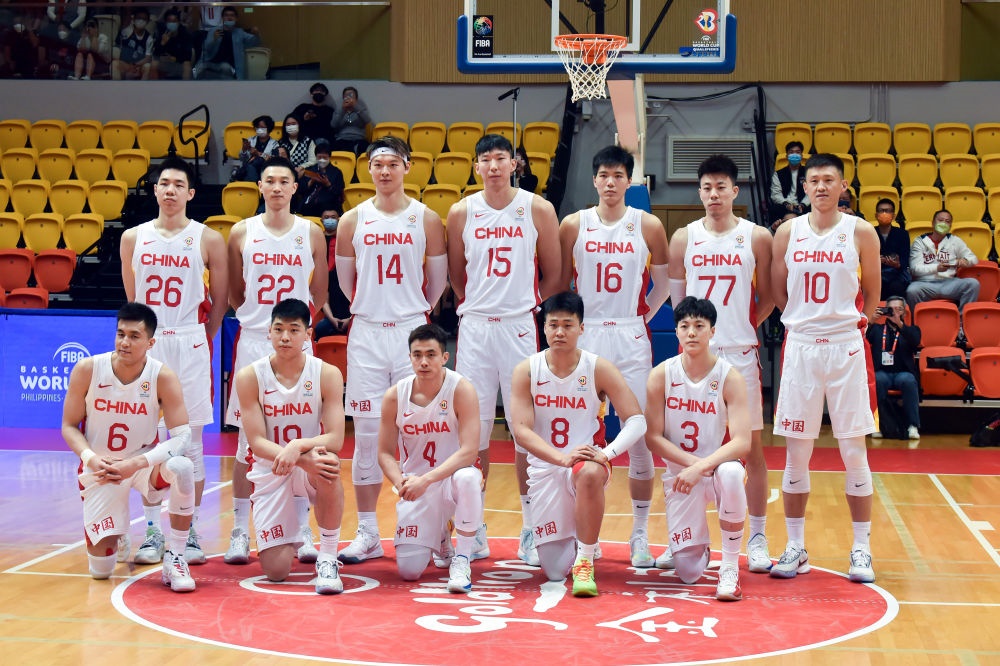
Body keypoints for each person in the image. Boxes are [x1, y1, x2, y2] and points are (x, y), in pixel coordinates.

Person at [446, 133, 562, 565]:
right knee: (472, 431)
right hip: (476, 328)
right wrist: (480, 304)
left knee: (524, 429)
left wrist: (522, 304)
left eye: (500, 158)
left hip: (518, 327)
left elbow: (555, 273)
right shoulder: (461, 212)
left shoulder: (537, 208)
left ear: (515, 164)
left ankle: (531, 527)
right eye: (485, 159)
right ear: (475, 166)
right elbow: (457, 276)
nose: (493, 166)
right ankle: (473, 528)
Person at [334, 136, 448, 565]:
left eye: (392, 164)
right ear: (368, 169)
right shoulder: (352, 220)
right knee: (366, 437)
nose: (384, 171)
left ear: (407, 167)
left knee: (422, 433)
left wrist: (410, 311)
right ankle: (367, 532)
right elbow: (347, 284)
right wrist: (374, 307)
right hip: (366, 333)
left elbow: (437, 283)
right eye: (377, 164)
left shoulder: (426, 218)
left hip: (409, 332)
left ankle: (428, 528)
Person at [558, 145, 669, 569]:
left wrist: (642, 317)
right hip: (587, 335)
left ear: (629, 181)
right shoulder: (574, 224)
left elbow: (663, 284)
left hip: (629, 332)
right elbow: (563, 282)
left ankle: (640, 534)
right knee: (583, 434)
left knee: (638, 436)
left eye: (618, 175)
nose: (610, 182)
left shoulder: (648, 224)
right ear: (594, 180)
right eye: (603, 175)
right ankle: (585, 533)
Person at [771, 152, 881, 584]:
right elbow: (779, 292)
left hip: (845, 348)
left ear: (842, 185)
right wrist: (805, 322)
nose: (820, 186)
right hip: (801, 346)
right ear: (805, 187)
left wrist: (851, 324)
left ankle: (861, 548)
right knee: (797, 454)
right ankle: (795, 545)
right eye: (814, 180)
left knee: (853, 451)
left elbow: (872, 290)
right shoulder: (787, 232)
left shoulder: (861, 231)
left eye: (828, 180)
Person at [667, 154, 774, 574]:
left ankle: (758, 537)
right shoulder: (684, 237)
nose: (714, 194)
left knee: (752, 448)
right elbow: (680, 302)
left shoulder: (756, 236)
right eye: (707, 188)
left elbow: (770, 295)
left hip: (740, 353)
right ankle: (685, 536)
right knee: (688, 449)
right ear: (699, 192)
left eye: (721, 187)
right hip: (696, 356)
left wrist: (742, 325)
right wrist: (697, 336)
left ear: (735, 191)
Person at [120, 156, 229, 567]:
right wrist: (142, 339)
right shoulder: (133, 237)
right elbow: (133, 300)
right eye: (164, 183)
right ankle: (152, 530)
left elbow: (220, 301)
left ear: (191, 193)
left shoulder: (208, 238)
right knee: (147, 439)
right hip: (149, 342)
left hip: (189, 339)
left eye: (178, 184)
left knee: (190, 441)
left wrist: (201, 337)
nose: (170, 190)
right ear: (155, 190)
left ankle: (190, 529)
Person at [225, 156, 329, 566]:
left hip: (297, 343)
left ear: (294, 187)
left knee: (302, 436)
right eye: (269, 181)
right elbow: (235, 292)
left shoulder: (311, 232)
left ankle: (302, 528)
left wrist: (296, 329)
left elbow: (319, 293)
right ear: (260, 186)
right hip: (256, 339)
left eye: (284, 181)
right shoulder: (241, 232)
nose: (277, 187)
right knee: (245, 444)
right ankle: (239, 530)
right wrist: (258, 322)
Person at [510, 292, 646, 596]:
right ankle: (578, 534)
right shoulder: (527, 370)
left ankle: (585, 559)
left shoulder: (598, 368)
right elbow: (520, 431)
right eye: (553, 325)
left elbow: (637, 420)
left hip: (586, 464)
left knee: (588, 473)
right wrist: (560, 458)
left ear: (581, 328)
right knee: (555, 570)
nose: (560, 332)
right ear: (544, 328)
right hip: (546, 467)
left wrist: (605, 454)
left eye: (568, 325)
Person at [61, 302, 198, 592]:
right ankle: (119, 531)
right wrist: (91, 458)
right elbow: (69, 426)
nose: (125, 342)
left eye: (134, 336)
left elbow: (182, 437)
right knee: (100, 572)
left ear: (150, 343)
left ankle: (176, 557)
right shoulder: (88, 369)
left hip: (142, 464)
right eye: (120, 334)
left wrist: (136, 463)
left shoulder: (162, 376)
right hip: (103, 466)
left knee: (183, 467)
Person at [234, 298, 347, 594]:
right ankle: (294, 529)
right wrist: (297, 456)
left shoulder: (327, 373)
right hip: (271, 467)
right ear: (268, 332)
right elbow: (256, 442)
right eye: (279, 329)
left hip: (308, 463)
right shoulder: (249, 376)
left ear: (308, 334)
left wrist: (298, 447)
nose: (285, 337)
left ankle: (328, 557)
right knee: (276, 571)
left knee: (329, 463)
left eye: (294, 330)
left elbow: (336, 438)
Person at [644, 297, 751, 601]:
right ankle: (693, 545)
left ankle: (729, 567)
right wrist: (692, 466)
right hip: (682, 477)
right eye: (684, 326)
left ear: (712, 331)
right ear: (676, 331)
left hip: (715, 470)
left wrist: (702, 467)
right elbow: (653, 437)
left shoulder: (729, 377)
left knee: (732, 473)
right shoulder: (661, 375)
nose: (691, 332)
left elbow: (742, 442)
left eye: (699, 326)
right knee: (688, 573)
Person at [377, 324, 483, 592]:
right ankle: (442, 535)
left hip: (450, 480)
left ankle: (462, 558)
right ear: (410, 357)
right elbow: (384, 453)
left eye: (431, 354)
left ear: (445, 357)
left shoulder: (461, 389)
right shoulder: (395, 396)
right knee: (409, 571)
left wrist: (427, 480)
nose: (423, 362)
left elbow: (470, 451)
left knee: (469, 477)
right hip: (416, 484)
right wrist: (400, 482)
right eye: (417, 355)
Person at [867, 295, 921, 441]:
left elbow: (915, 341)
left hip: (902, 372)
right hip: (882, 372)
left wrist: (899, 324)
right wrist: (870, 321)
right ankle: (877, 425)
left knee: (909, 380)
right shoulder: (877, 329)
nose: (895, 312)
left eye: (899, 309)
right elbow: (861, 337)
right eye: (891, 309)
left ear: (904, 312)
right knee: (877, 380)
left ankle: (912, 425)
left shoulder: (912, 330)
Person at [906, 209, 979, 312]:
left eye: (947, 221)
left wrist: (961, 262)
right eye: (940, 220)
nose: (944, 223)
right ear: (933, 223)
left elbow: (973, 259)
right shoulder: (920, 241)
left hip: (949, 283)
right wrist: (937, 268)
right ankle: (918, 319)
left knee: (973, 284)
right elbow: (915, 269)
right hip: (925, 283)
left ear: (950, 226)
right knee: (912, 290)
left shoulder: (955, 240)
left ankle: (962, 318)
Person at [314, 208, 352, 340]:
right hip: (330, 316)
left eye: (333, 217)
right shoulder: (318, 240)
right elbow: (324, 297)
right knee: (320, 328)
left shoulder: (345, 240)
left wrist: (349, 319)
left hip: (351, 318)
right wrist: (332, 319)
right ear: (321, 220)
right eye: (326, 217)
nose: (330, 220)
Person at [194, 5, 259, 80]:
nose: (229, 18)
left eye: (232, 15)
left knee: (225, 67)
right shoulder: (214, 31)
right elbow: (206, 49)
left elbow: (254, 42)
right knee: (199, 69)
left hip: (228, 67)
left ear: (236, 18)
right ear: (222, 18)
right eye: (226, 15)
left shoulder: (239, 33)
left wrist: (256, 34)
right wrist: (214, 40)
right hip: (210, 63)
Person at [873, 198, 911, 299]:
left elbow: (905, 259)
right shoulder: (870, 233)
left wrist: (898, 264)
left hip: (896, 274)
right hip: (875, 273)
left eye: (888, 211)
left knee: (897, 286)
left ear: (893, 216)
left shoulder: (902, 234)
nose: (884, 213)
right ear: (876, 215)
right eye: (881, 211)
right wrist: (875, 261)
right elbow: (864, 257)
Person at [297, 141, 345, 218]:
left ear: (329, 157)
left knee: (325, 204)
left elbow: (339, 193)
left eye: (325, 158)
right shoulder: (309, 171)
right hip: (309, 205)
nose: (322, 160)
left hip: (329, 205)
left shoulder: (336, 172)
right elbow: (301, 190)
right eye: (319, 157)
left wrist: (328, 184)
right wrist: (311, 181)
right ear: (316, 157)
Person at [769, 141, 809, 228]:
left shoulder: (808, 172)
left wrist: (803, 205)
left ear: (802, 156)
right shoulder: (778, 174)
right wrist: (786, 204)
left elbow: (811, 192)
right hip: (785, 205)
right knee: (773, 209)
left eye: (797, 152)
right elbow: (776, 194)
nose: (794, 155)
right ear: (787, 156)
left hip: (803, 205)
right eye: (791, 152)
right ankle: (775, 232)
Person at [151, 7, 194, 80]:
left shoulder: (185, 35)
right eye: (169, 21)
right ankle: (155, 86)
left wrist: (175, 59)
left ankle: (185, 87)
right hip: (165, 64)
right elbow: (156, 54)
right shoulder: (162, 34)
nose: (172, 23)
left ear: (178, 22)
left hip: (179, 63)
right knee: (154, 64)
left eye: (174, 21)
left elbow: (187, 56)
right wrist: (162, 43)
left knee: (187, 66)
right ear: (166, 23)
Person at [111, 7, 153, 80]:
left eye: (144, 19)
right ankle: (117, 86)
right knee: (114, 64)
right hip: (126, 64)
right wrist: (130, 66)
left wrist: (136, 65)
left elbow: (148, 58)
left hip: (139, 66)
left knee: (148, 66)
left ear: (148, 21)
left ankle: (143, 86)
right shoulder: (126, 31)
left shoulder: (149, 38)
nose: (141, 21)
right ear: (133, 19)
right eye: (139, 18)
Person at [235, 114, 279, 183]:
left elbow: (274, 161)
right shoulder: (250, 140)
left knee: (252, 166)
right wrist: (244, 150)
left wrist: (258, 154)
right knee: (249, 168)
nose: (259, 129)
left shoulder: (274, 144)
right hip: (249, 170)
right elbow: (242, 159)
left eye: (262, 127)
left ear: (269, 129)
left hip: (265, 171)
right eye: (257, 127)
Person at [330, 86, 372, 156]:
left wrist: (356, 107)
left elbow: (367, 120)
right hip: (342, 139)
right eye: (346, 96)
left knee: (366, 149)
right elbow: (333, 124)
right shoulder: (339, 111)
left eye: (351, 95)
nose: (349, 98)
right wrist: (343, 110)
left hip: (359, 139)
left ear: (356, 98)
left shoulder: (361, 110)